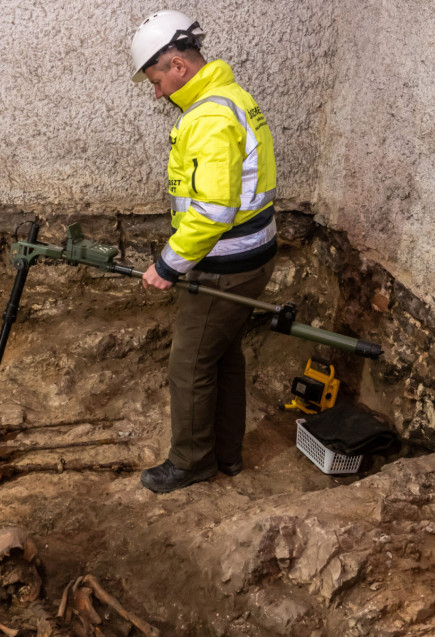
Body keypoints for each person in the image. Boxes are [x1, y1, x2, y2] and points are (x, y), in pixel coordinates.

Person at [130, 10, 278, 493]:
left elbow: (213, 210)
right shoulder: (232, 97)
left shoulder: (209, 116)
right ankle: (227, 454)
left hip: (225, 264)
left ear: (178, 65)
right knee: (223, 355)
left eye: (157, 82)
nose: (158, 94)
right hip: (252, 254)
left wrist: (167, 265)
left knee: (189, 366)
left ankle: (192, 461)